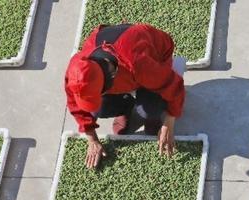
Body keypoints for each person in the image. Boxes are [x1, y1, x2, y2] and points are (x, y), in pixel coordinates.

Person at [64, 23, 186, 168]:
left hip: (155, 55)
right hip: (127, 70)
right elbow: (75, 105)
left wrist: (169, 123)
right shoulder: (77, 71)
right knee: (99, 109)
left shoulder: (138, 65)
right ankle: (126, 107)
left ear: (110, 81)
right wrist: (92, 140)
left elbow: (174, 85)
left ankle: (151, 115)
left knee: (149, 110)